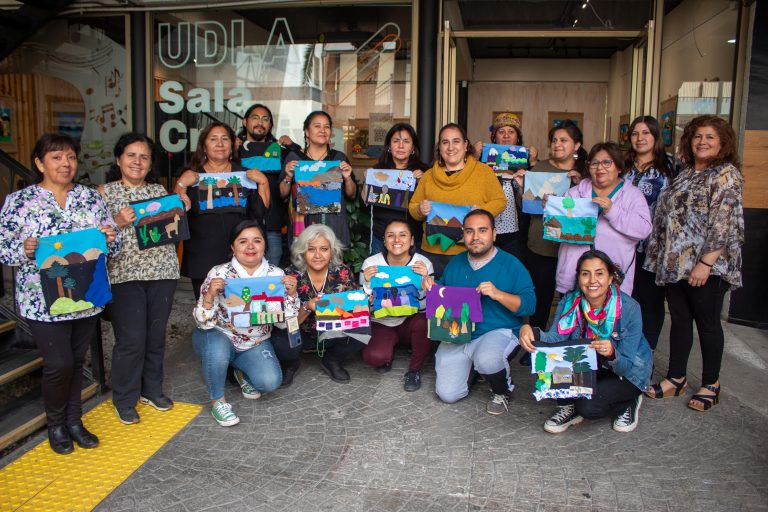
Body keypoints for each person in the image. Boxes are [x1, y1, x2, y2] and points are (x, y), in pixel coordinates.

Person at [0, 133, 120, 454]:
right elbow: (3, 248)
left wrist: (111, 236)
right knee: (59, 363)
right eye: (56, 157)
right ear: (40, 163)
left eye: (69, 157)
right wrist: (23, 249)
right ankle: (56, 424)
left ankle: (75, 421)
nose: (65, 163)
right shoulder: (20, 202)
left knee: (77, 359)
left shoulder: (90, 198)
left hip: (84, 294)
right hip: (42, 300)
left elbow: (114, 244)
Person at [643, 115, 744, 411]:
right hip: (676, 264)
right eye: (698, 136)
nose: (703, 142)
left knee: (708, 325)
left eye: (710, 137)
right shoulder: (686, 172)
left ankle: (711, 383)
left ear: (723, 142)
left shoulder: (725, 174)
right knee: (680, 322)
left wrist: (705, 264)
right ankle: (676, 378)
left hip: (706, 267)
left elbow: (724, 224)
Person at [519, 250, 652, 434]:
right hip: (591, 365)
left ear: (611, 278)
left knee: (589, 408)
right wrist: (530, 331)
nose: (592, 281)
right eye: (585, 274)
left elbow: (626, 366)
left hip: (627, 373)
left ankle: (629, 400)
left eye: (599, 273)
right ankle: (571, 405)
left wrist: (612, 352)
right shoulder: (570, 301)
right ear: (579, 278)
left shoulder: (629, 308)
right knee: (555, 368)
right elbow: (555, 338)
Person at [98, 133, 179, 425]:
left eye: (144, 157)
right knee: (131, 340)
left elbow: (173, 226)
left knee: (155, 336)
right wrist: (116, 222)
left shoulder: (159, 191)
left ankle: (152, 389)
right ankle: (124, 397)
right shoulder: (104, 193)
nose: (137, 161)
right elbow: (91, 239)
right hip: (124, 275)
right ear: (119, 159)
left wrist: (181, 209)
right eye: (131, 155)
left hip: (163, 272)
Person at [191, 220, 299, 426]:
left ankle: (239, 371)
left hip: (255, 343)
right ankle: (218, 401)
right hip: (219, 336)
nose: (250, 246)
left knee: (270, 382)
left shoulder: (276, 275)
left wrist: (292, 295)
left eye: (257, 241)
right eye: (243, 241)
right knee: (216, 347)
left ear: (265, 245)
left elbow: (285, 324)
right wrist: (210, 295)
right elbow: (202, 323)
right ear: (232, 247)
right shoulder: (219, 274)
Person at [428, 209, 535, 415]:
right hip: (458, 334)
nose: (475, 237)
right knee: (448, 395)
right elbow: (444, 290)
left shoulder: (512, 264)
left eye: (482, 230)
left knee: (487, 359)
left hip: (497, 332)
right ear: (463, 235)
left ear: (494, 234)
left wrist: (498, 294)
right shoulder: (456, 262)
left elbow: (530, 305)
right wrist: (432, 286)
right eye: (469, 231)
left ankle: (502, 389)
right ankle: (475, 369)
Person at [174, 122, 271, 298]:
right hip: (202, 255)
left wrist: (263, 182)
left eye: (225, 139)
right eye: (213, 139)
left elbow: (260, 212)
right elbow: (175, 216)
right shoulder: (191, 176)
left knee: (241, 307)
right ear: (204, 146)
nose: (220, 144)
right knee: (207, 307)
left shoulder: (245, 175)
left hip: (240, 255)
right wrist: (180, 185)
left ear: (232, 144)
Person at [408, 123, 506, 278]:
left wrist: (482, 212)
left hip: (471, 252)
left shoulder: (483, 172)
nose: (450, 147)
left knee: (466, 300)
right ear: (439, 147)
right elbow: (413, 207)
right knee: (435, 299)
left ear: (466, 145)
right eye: (445, 142)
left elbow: (500, 200)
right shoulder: (428, 176)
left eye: (456, 141)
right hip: (433, 253)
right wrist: (420, 209)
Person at [555, 142, 652, 295]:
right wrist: (553, 211)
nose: (600, 168)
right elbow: (559, 230)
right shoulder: (574, 193)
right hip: (575, 278)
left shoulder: (632, 195)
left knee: (610, 318)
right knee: (573, 317)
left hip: (613, 279)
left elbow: (643, 230)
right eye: (594, 163)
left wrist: (612, 210)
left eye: (607, 162)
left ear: (619, 167)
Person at [523, 120, 587, 332]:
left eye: (564, 140)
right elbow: (523, 205)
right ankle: (536, 340)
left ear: (576, 145)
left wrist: (581, 186)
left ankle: (567, 341)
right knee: (540, 298)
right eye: (554, 140)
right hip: (541, 246)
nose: (557, 144)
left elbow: (592, 211)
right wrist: (521, 187)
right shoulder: (539, 168)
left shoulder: (586, 172)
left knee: (573, 298)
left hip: (574, 248)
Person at [360, 219, 434, 391]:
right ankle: (390, 350)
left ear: (412, 240)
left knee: (424, 322)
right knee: (374, 358)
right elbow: (364, 306)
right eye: (390, 236)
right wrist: (367, 285)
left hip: (412, 321)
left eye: (403, 235)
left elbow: (426, 308)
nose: (397, 240)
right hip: (382, 322)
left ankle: (414, 370)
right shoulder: (371, 264)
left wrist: (424, 284)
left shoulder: (423, 264)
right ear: (384, 241)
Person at [285, 224, 365, 383]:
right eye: (311, 249)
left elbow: (351, 313)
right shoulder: (290, 276)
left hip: (332, 333)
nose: (317, 255)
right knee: (281, 336)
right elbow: (286, 323)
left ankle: (332, 360)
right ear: (302, 251)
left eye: (324, 249)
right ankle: (290, 364)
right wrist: (307, 307)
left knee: (362, 329)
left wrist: (361, 304)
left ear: (332, 251)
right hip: (302, 334)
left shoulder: (342, 273)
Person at [623, 116, 676, 350]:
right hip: (622, 246)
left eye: (646, 133)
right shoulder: (621, 165)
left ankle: (646, 354)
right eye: (635, 133)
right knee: (623, 300)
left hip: (653, 249)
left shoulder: (672, 167)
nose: (640, 138)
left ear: (656, 136)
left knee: (650, 303)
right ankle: (621, 352)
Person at [280, 111, 357, 246]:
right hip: (303, 225)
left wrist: (348, 178)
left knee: (333, 264)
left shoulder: (338, 158)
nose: (323, 130)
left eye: (327, 127)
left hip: (334, 224)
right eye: (317, 126)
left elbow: (351, 194)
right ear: (307, 132)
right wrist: (288, 176)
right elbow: (282, 194)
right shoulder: (294, 158)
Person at [238, 103, 301, 266]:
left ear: (270, 125)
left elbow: (304, 160)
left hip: (272, 223)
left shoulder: (279, 150)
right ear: (245, 122)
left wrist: (292, 146)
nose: (260, 122)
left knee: (273, 266)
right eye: (255, 118)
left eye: (265, 119)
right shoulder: (235, 149)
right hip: (241, 222)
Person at [472, 112, 539, 259]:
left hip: (517, 231)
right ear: (494, 137)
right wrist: (474, 157)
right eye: (501, 132)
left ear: (518, 137)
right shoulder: (481, 161)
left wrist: (533, 163)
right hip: (486, 227)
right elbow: (468, 182)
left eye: (511, 132)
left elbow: (536, 198)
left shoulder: (527, 161)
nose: (506, 136)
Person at [362, 123, 428, 255]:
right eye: (396, 141)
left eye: (406, 141)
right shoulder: (377, 171)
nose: (401, 146)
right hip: (381, 237)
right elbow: (365, 201)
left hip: (412, 238)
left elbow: (428, 206)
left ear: (413, 147)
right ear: (389, 147)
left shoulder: (424, 171)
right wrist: (367, 181)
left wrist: (421, 182)